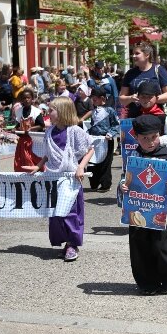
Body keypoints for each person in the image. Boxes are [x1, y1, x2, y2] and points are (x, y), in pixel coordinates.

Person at [22, 97, 94, 262]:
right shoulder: (49, 131)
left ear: (62, 112)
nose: (48, 114)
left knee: (70, 212)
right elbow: (48, 153)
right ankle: (66, 242)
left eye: (51, 111)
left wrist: (81, 166)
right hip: (53, 178)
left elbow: (90, 148)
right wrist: (38, 166)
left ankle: (72, 244)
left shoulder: (74, 131)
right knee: (56, 212)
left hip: (70, 178)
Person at [120, 114, 167, 295]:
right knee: (140, 246)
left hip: (161, 209)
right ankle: (147, 283)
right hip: (137, 208)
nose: (150, 142)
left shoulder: (166, 154)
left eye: (154, 137)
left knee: (163, 245)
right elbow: (126, 177)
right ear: (136, 137)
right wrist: (123, 185)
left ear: (159, 134)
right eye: (144, 138)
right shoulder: (133, 155)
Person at [119, 42, 167, 118]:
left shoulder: (159, 70)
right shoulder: (130, 73)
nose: (133, 56)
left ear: (147, 55)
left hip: (156, 117)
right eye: (133, 53)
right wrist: (131, 98)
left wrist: (151, 100)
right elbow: (122, 98)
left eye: (137, 53)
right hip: (135, 118)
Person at [87, 86, 120, 192]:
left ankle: (105, 184)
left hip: (106, 139)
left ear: (102, 98)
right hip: (95, 139)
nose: (93, 101)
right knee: (92, 161)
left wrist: (110, 134)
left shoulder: (110, 110)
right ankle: (94, 182)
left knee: (105, 162)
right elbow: (92, 125)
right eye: (92, 99)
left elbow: (116, 124)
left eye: (95, 99)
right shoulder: (94, 111)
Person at [13, 87, 45, 171]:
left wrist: (31, 128)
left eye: (28, 98)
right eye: (24, 98)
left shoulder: (36, 112)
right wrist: (15, 128)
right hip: (22, 141)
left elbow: (42, 125)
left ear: (32, 99)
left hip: (33, 141)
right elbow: (18, 124)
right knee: (21, 161)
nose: (26, 100)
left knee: (31, 160)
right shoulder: (19, 111)